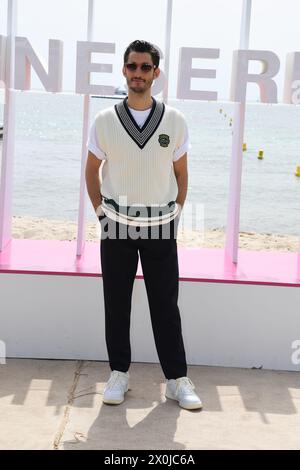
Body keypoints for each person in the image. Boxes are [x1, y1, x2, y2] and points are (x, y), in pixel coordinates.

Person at [85, 40, 202, 410]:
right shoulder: (104, 120)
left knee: (165, 305)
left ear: (156, 73)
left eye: (145, 67)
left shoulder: (175, 120)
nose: (138, 73)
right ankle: (119, 373)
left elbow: (181, 172)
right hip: (116, 225)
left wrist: (178, 210)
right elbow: (92, 171)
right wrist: (102, 214)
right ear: (124, 70)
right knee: (116, 303)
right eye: (132, 66)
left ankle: (176, 379)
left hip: (160, 225)